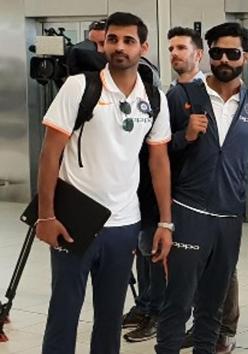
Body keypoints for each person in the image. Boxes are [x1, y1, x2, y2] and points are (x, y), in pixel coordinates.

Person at [36, 12, 173, 354]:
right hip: (74, 221)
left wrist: (166, 222)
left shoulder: (155, 98)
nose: (119, 47)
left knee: (110, 318)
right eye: (113, 39)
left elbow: (159, 160)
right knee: (64, 313)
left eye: (128, 41)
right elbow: (50, 153)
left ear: (144, 47)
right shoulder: (80, 86)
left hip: (125, 223)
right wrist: (45, 215)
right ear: (104, 43)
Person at [156, 22, 248, 354]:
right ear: (208, 54)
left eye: (232, 53)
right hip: (188, 212)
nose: (224, 59)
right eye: (217, 52)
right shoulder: (182, 96)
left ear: (246, 57)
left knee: (213, 306)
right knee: (178, 302)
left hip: (229, 218)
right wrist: (185, 137)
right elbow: (155, 155)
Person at [122, 26, 206, 344]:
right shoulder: (166, 95)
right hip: (149, 190)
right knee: (146, 251)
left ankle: (162, 314)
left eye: (181, 48)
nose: (175, 54)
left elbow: (193, 149)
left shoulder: (207, 95)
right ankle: (147, 306)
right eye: (171, 48)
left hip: (184, 194)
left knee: (164, 256)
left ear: (197, 53)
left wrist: (186, 137)